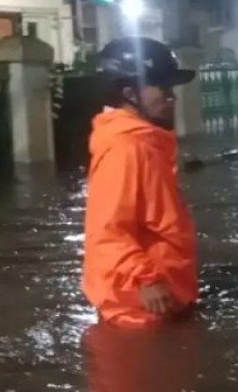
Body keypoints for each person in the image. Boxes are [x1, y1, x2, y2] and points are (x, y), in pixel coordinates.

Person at [81, 37, 199, 329]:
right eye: (163, 88)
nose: (172, 98)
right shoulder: (128, 148)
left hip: (159, 296)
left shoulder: (145, 143)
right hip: (141, 306)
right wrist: (144, 279)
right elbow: (108, 228)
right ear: (130, 92)